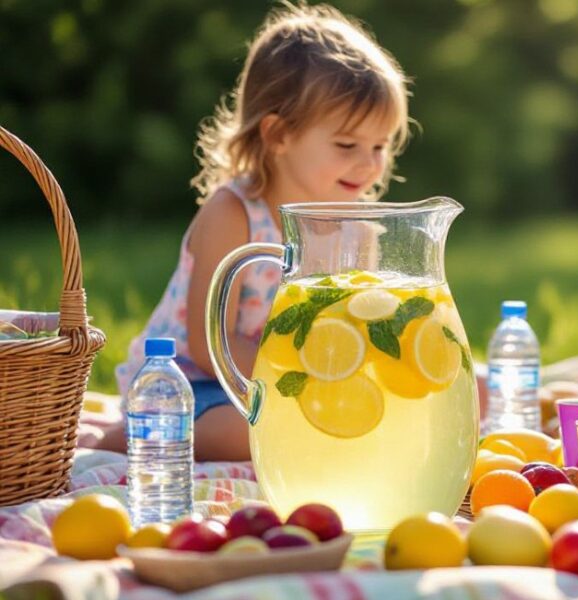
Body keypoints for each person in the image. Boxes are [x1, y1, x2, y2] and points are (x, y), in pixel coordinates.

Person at [98, 3, 411, 460]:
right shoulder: (235, 213)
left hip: (292, 387)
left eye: (380, 146)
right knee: (262, 437)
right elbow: (210, 344)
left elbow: (351, 332)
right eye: (347, 145)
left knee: (395, 415)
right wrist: (297, 392)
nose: (369, 163)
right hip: (197, 386)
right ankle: (123, 436)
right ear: (278, 135)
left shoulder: (357, 229)